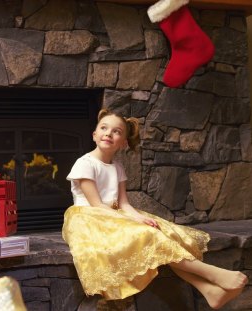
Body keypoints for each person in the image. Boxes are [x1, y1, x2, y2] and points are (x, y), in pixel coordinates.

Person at [62, 108, 248, 309]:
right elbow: (97, 205)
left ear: (123, 142)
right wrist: (132, 221)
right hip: (91, 218)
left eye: (116, 131)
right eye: (104, 128)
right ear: (94, 134)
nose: (108, 133)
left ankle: (208, 290)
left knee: (163, 233)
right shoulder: (85, 163)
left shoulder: (117, 167)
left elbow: (123, 203)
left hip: (114, 214)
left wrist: (137, 217)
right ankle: (213, 273)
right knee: (149, 238)